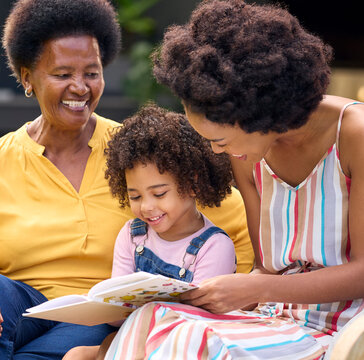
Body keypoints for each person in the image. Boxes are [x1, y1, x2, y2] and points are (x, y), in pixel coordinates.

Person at [0, 0, 253, 359]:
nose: (80, 88)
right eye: (63, 75)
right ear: (27, 77)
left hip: (99, 317)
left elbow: (237, 222)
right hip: (22, 310)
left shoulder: (140, 155)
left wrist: (241, 295)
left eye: (91, 73)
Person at [104, 0, 364, 359]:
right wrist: (226, 293)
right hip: (274, 320)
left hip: (343, 329)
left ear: (259, 113)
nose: (214, 152)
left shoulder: (355, 136)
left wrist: (253, 288)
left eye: (219, 140)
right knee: (150, 317)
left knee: (192, 341)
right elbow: (266, 268)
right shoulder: (248, 153)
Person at [64, 104, 238, 360]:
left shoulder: (215, 246)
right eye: (135, 196)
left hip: (181, 346)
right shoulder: (133, 236)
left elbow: (201, 322)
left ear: (192, 184)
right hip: (131, 336)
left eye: (159, 194)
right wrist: (102, 307)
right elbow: (115, 318)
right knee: (76, 354)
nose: (146, 207)